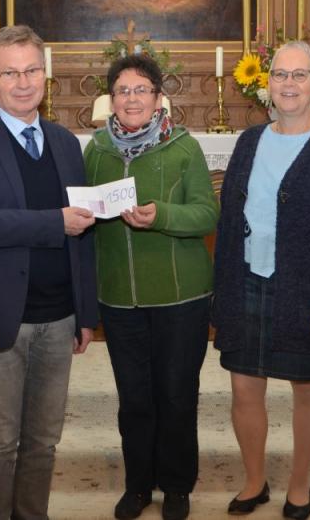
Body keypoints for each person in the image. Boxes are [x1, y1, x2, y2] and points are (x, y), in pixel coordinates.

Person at [0, 24, 98, 520]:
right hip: (0, 315)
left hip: (59, 317)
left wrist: (85, 314)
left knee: (44, 440)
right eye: (11, 73)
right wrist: (52, 223)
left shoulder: (65, 143)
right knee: (0, 441)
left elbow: (83, 235)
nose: (24, 82)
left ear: (45, 75)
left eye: (32, 70)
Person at [212, 41, 310, 518]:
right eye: (280, 74)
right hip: (246, 280)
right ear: (268, 84)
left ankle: (299, 485)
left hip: (305, 290)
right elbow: (229, 220)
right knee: (244, 388)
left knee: (307, 387)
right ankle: (254, 480)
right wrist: (222, 292)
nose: (289, 84)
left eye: (300, 75)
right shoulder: (249, 141)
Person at [84, 54, 219, 520]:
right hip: (120, 298)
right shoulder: (96, 151)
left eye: (141, 89)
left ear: (159, 98)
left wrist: (161, 215)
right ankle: (138, 485)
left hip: (181, 297)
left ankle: (177, 485)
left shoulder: (184, 148)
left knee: (177, 394)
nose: (132, 98)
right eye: (123, 91)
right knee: (134, 399)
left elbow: (207, 214)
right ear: (111, 100)